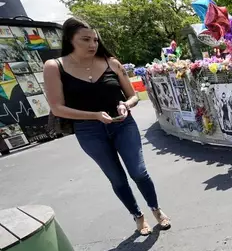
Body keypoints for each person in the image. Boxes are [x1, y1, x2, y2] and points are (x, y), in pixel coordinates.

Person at [43, 17, 170, 235]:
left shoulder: (110, 62)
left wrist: (125, 104)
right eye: (85, 39)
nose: (92, 44)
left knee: (139, 172)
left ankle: (156, 209)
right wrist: (93, 115)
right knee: (116, 178)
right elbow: (57, 108)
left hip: (123, 125)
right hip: (88, 131)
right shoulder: (55, 67)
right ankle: (138, 216)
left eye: (95, 39)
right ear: (69, 39)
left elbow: (133, 96)